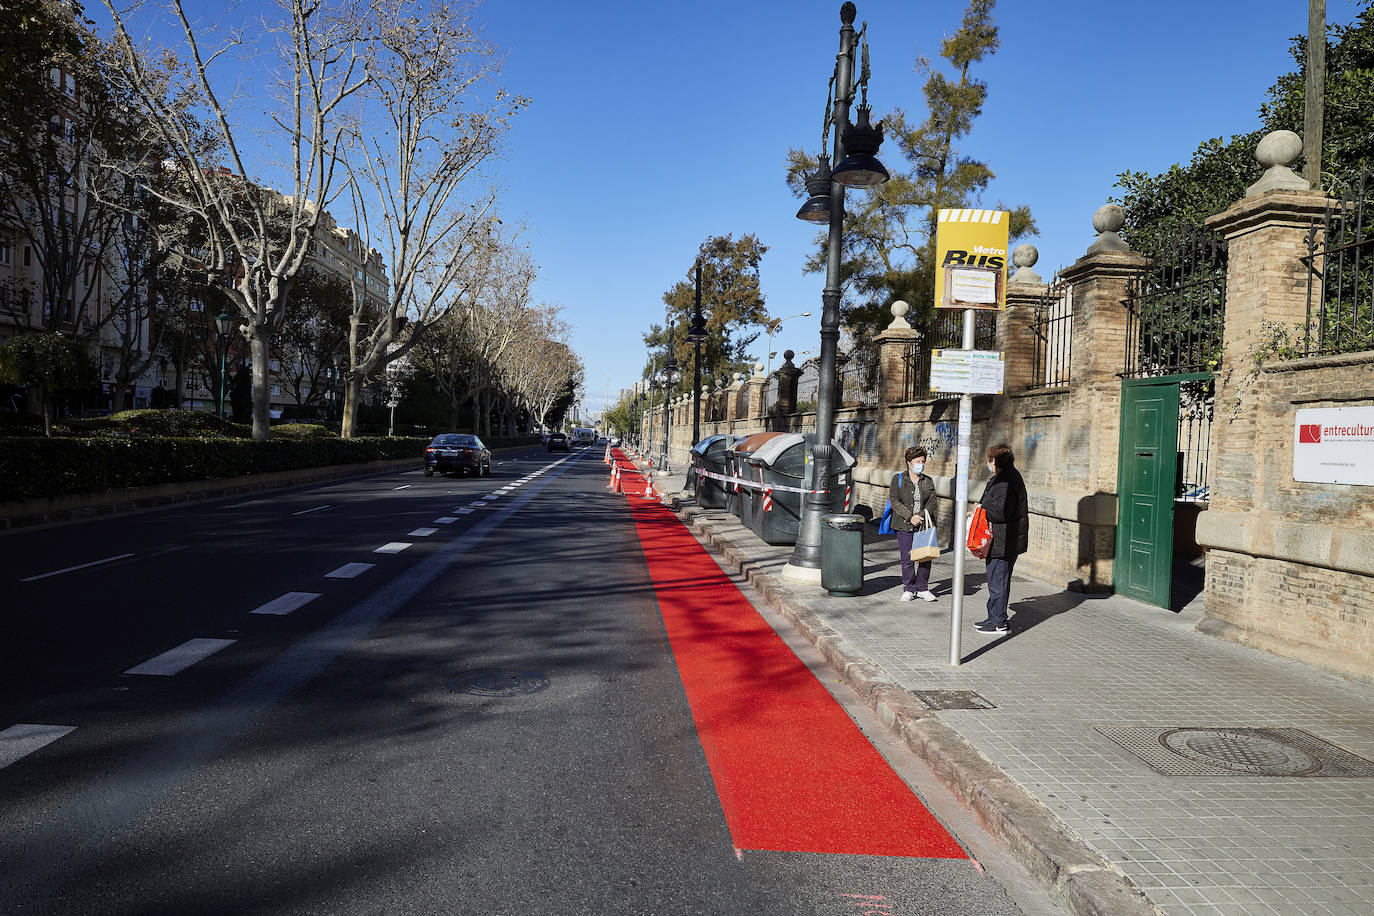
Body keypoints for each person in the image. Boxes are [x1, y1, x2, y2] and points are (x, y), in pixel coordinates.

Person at [974, 443, 1029, 634]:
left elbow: (1001, 511)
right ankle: (993, 617)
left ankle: (998, 621)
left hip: (1004, 540)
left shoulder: (1006, 480)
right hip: (1000, 539)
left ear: (996, 461)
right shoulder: (1002, 477)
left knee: (998, 580)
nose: (988, 464)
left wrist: (982, 510)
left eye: (990, 460)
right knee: (995, 579)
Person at [889, 446, 937, 602]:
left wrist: (920, 516)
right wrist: (910, 517)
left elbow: (932, 502)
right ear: (909, 462)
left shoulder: (928, 481)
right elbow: (895, 501)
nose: (921, 464)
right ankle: (909, 588)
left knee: (925, 557)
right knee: (907, 558)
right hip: (904, 524)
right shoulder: (898, 479)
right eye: (918, 461)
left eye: (923, 461)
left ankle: (922, 588)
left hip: (924, 524)